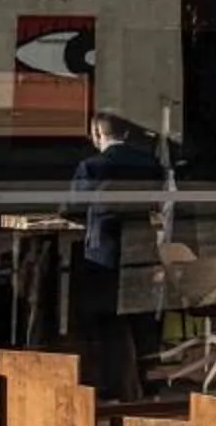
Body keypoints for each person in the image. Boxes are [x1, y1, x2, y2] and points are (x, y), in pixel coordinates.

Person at [67, 112, 165, 401]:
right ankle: (147, 381)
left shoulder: (91, 167)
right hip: (142, 246)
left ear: (98, 134)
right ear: (126, 134)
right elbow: (157, 205)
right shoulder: (152, 166)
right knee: (141, 316)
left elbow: (71, 209)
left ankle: (113, 383)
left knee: (107, 317)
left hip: (104, 250)